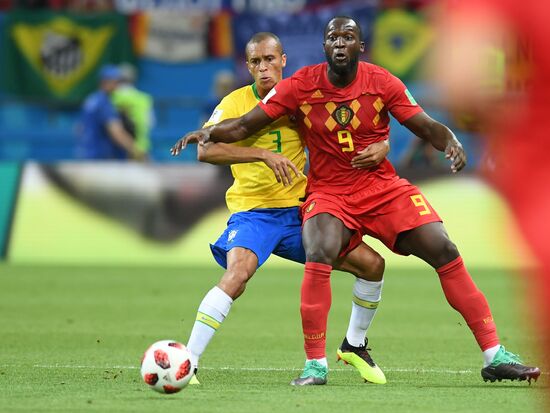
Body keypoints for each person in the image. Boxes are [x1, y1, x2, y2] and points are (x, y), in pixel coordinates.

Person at [171, 17, 541, 386]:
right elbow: (241, 127)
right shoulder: (298, 88)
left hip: (380, 188)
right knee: (316, 251)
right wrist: (206, 132)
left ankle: (490, 355)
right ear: (324, 46)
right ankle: (313, 365)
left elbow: (423, 124)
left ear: (360, 47)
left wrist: (449, 141)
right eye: (333, 37)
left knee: (439, 249)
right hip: (322, 194)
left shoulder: (382, 81)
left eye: (348, 37)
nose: (340, 43)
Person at [176, 32, 391, 386]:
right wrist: (261, 153)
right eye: (256, 62)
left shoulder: (302, 99)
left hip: (299, 214)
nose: (263, 68)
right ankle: (189, 361)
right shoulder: (234, 103)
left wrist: (382, 142)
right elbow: (205, 149)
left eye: (270, 60)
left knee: (372, 265)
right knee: (237, 275)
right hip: (253, 213)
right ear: (247, 66)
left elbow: (346, 128)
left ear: (283, 61)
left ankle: (353, 344)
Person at [433, 0, 549, 393]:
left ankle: (493, 354)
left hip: (539, 187)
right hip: (337, 194)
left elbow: (460, 83)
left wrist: (514, 130)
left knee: (442, 250)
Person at [77, 64, 146, 160]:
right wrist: (137, 151)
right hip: (100, 158)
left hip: (86, 154)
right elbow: (116, 132)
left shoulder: (91, 100)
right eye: (115, 82)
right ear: (106, 82)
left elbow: (79, 128)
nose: (117, 86)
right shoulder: (104, 103)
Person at [111, 63, 154, 156]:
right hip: (141, 148)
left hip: (117, 149)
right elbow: (150, 123)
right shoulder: (144, 98)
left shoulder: (111, 98)